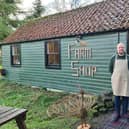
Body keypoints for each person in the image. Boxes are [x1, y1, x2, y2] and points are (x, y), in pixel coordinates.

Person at [109, 42, 129, 122]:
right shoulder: (113, 58)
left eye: (122, 47)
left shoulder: (128, 57)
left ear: (124, 49)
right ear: (117, 49)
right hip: (116, 81)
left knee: (126, 97)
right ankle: (117, 113)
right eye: (119, 47)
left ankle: (124, 113)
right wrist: (116, 77)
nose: (121, 49)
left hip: (126, 81)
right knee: (117, 97)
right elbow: (110, 69)